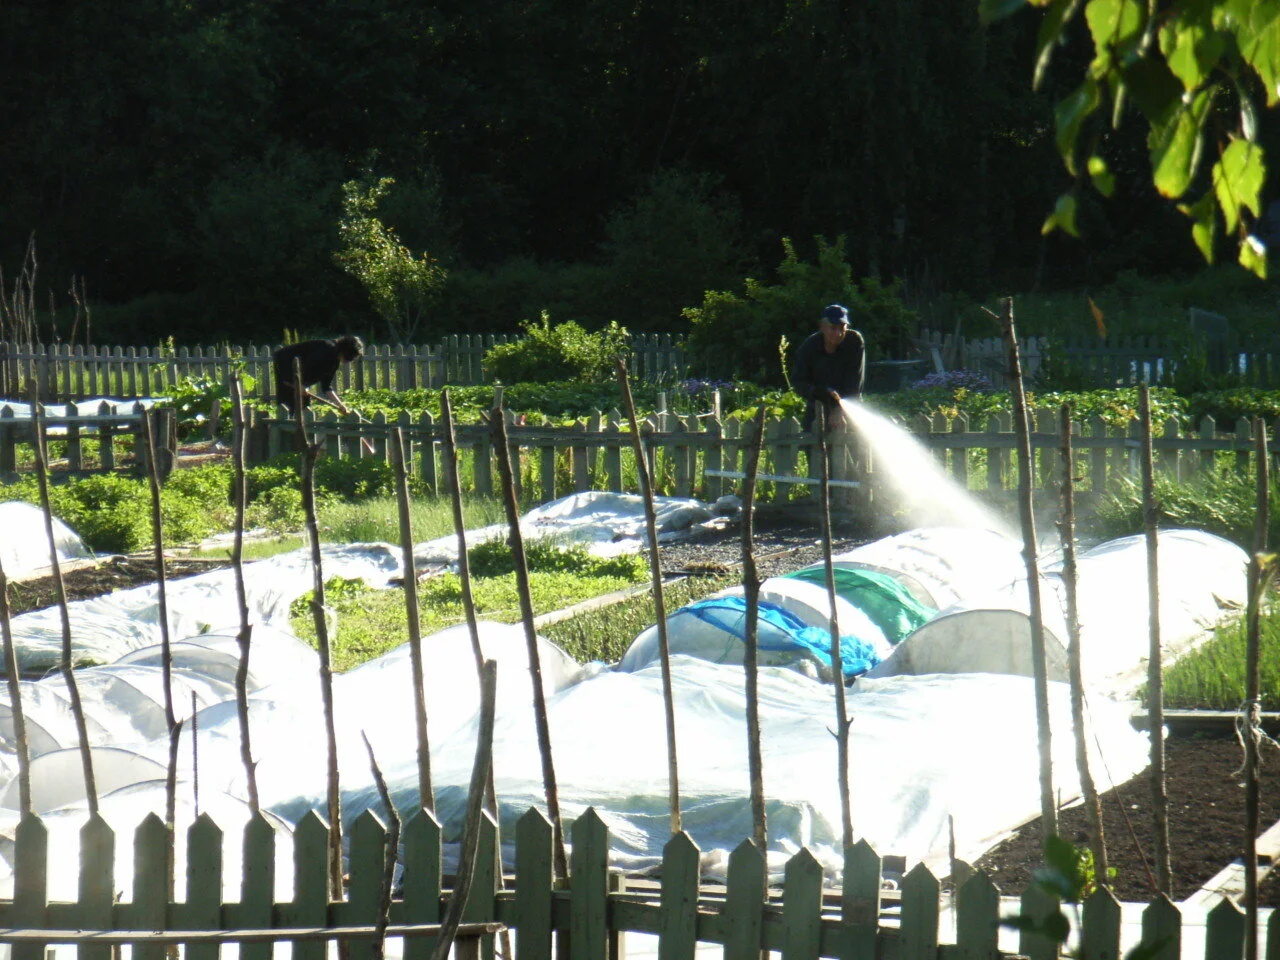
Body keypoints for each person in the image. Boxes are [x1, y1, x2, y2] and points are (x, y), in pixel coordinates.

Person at [791, 304, 865, 432]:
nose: (838, 333)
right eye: (833, 328)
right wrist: (820, 391)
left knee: (853, 440)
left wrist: (839, 410)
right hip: (817, 407)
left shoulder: (854, 342)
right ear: (822, 327)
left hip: (849, 406)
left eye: (842, 328)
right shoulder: (808, 348)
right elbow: (798, 382)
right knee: (813, 439)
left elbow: (855, 382)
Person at [273, 335, 365, 415]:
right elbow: (304, 366)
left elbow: (326, 387)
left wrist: (340, 405)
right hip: (285, 364)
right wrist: (298, 384)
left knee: (304, 407)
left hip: (301, 377)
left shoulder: (334, 362)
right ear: (345, 351)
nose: (349, 361)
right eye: (350, 357)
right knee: (288, 405)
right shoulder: (325, 349)